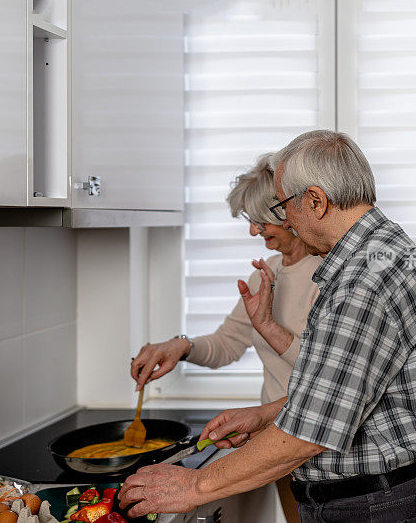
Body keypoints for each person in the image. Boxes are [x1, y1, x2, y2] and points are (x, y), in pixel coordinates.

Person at [119, 130, 416, 523]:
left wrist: (193, 486)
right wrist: (264, 415)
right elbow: (344, 395)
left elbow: (308, 433)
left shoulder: (363, 281)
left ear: (315, 200)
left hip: (381, 505)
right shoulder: (378, 252)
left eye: (285, 205)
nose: (284, 219)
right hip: (388, 496)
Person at [130, 153, 322, 523]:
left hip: (315, 444)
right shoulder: (266, 275)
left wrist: (269, 326)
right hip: (276, 441)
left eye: (259, 220)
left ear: (288, 213)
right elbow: (228, 343)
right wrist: (180, 346)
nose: (253, 231)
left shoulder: (327, 278)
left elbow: (330, 377)